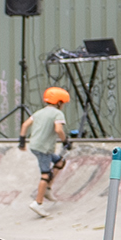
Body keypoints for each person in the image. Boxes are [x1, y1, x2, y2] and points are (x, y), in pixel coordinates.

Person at [24, 86, 73, 217]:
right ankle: (38, 203)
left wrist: (22, 141)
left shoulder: (39, 112)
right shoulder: (58, 114)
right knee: (45, 174)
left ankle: (48, 188)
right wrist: (65, 141)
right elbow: (58, 130)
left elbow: (24, 125)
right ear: (59, 102)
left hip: (35, 146)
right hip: (44, 149)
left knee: (59, 162)